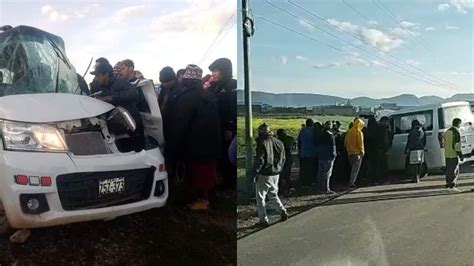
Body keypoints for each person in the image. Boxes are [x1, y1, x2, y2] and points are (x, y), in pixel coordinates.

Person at [166, 64, 221, 210]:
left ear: (186, 80)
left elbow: (180, 124)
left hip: (193, 143)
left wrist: (172, 146)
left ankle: (201, 201)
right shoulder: (208, 96)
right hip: (210, 142)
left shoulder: (186, 98)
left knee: (196, 174)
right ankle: (204, 198)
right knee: (205, 172)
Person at [89, 60, 144, 152]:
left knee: (137, 154)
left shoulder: (120, 82)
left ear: (106, 74)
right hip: (120, 129)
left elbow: (134, 93)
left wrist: (111, 98)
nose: (97, 78)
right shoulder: (104, 88)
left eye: (98, 76)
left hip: (132, 126)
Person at [208, 58, 237, 190]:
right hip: (217, 127)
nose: (213, 74)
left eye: (215, 71)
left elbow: (232, 109)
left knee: (227, 155)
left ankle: (229, 183)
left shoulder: (232, 86)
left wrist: (229, 127)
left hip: (227, 128)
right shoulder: (216, 86)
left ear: (224, 71)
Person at [254, 123, 289, 227]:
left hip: (264, 173)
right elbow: (283, 158)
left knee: (260, 197)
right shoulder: (279, 142)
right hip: (276, 173)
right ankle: (282, 210)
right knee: (273, 194)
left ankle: (263, 220)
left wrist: (255, 172)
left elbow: (260, 160)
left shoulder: (262, 143)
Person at [316, 121, 337, 194]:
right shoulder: (330, 135)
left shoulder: (320, 134)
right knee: (327, 173)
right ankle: (326, 188)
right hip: (328, 156)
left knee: (320, 172)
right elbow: (333, 146)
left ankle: (319, 187)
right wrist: (334, 154)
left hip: (320, 155)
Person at [444, 118, 463, 192]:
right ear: (458, 124)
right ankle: (452, 186)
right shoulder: (456, 132)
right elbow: (457, 145)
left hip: (447, 154)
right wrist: (460, 155)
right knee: (454, 171)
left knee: (448, 170)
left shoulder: (447, 131)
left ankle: (447, 185)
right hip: (453, 154)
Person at [345, 118, 365, 188]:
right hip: (357, 153)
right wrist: (362, 151)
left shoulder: (349, 131)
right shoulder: (359, 132)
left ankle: (352, 181)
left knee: (352, 168)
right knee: (355, 169)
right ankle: (352, 183)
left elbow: (345, 142)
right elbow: (360, 143)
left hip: (349, 153)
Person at [276, 129, 295, 196]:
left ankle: (280, 190)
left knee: (281, 175)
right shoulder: (290, 139)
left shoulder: (279, 141)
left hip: (282, 159)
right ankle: (290, 187)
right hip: (289, 158)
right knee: (287, 174)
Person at [298, 119, 317, 187]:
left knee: (304, 168)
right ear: (312, 124)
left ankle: (303, 181)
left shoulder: (302, 131)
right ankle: (311, 182)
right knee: (312, 169)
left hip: (304, 153)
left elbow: (299, 142)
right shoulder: (314, 131)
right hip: (312, 152)